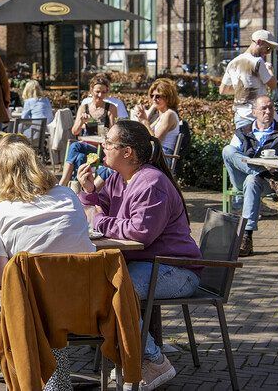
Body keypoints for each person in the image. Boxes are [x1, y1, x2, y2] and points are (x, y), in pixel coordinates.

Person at [77, 120, 202, 391]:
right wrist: (89, 192)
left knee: (117, 292)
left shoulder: (151, 182)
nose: (103, 147)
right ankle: (129, 359)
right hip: (146, 265)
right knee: (102, 286)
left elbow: (139, 234)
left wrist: (99, 221)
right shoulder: (118, 179)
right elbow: (97, 210)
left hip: (176, 270)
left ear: (127, 152)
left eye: (109, 143)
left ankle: (153, 360)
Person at [0, 134, 94, 389]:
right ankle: (54, 380)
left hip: (36, 315)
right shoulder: (68, 196)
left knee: (13, 291)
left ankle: (36, 376)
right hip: (89, 306)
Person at [221, 95, 278, 256]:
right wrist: (261, 168)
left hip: (270, 184)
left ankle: (247, 236)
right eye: (263, 108)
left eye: (270, 108)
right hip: (246, 180)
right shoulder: (243, 131)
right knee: (227, 150)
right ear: (254, 112)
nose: (268, 111)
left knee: (252, 179)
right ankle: (260, 172)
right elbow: (233, 157)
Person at [58, 74, 118, 186]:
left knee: (75, 146)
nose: (100, 95)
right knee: (80, 156)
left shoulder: (110, 108)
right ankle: (78, 188)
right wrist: (81, 122)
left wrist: (104, 131)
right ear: (91, 90)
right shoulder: (84, 107)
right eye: (97, 91)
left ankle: (63, 183)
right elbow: (74, 132)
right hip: (85, 147)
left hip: (100, 149)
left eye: (104, 92)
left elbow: (114, 132)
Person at [219, 29, 278, 128]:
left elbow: (223, 90)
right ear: (259, 42)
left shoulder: (233, 63)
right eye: (268, 48)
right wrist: (269, 70)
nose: (268, 53)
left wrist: (243, 90)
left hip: (241, 116)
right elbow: (273, 85)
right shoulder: (258, 61)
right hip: (259, 117)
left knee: (244, 143)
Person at [133, 78, 181, 155]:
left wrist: (145, 121)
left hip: (162, 156)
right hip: (153, 154)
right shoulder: (159, 115)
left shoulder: (169, 114)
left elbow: (156, 142)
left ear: (168, 97)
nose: (154, 99)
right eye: (152, 96)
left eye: (158, 96)